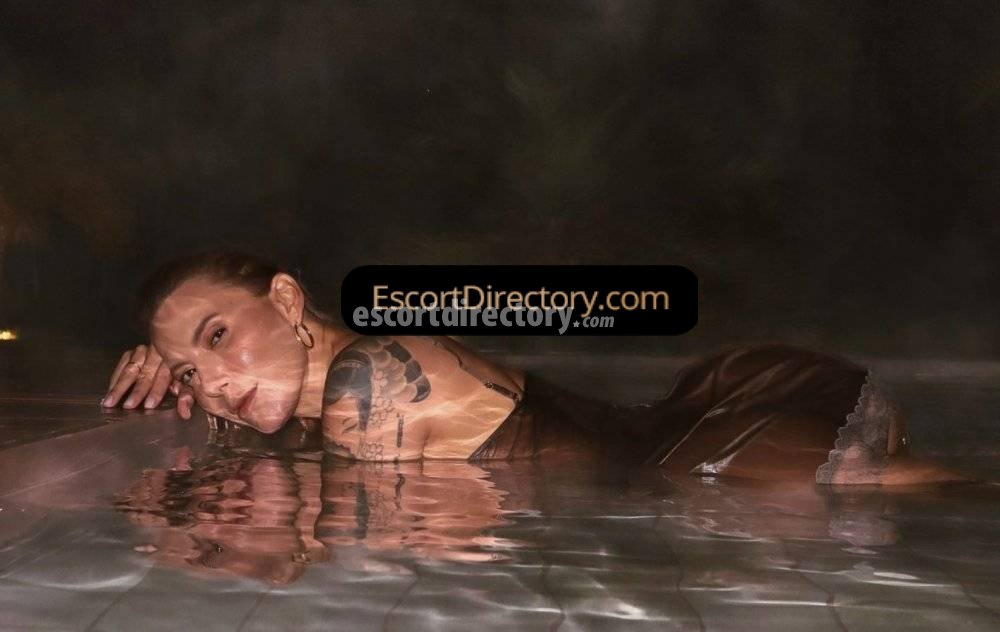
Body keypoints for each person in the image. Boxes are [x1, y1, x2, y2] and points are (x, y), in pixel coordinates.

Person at [102, 250, 974, 486]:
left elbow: (339, 540)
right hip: (704, 420)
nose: (211, 379)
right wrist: (172, 388)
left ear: (289, 301)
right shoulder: (319, 397)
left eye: (218, 336)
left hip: (734, 453)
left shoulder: (369, 381)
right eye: (189, 371)